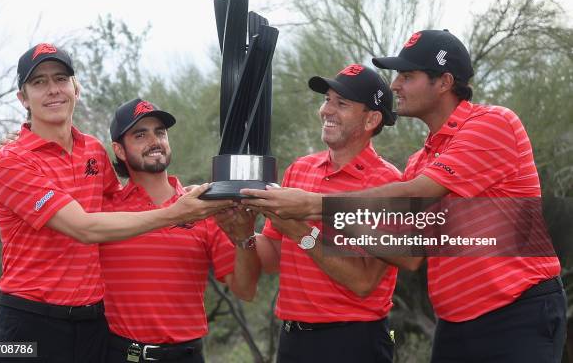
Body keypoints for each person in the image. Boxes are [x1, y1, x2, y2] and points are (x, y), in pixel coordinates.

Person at [242, 30, 566, 362]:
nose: (395, 85)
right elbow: (409, 255)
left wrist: (314, 207)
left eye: (407, 76)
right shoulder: (419, 161)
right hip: (456, 322)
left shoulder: (492, 122)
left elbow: (420, 192)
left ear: (444, 82)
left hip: (517, 311)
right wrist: (306, 227)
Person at [0, 44, 231, 363]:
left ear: (76, 87)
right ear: (23, 98)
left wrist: (179, 194)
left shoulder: (93, 151)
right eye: (38, 82)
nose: (52, 90)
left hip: (92, 325)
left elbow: (126, 205)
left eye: (60, 78)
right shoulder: (10, 160)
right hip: (28, 321)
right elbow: (84, 228)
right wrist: (174, 212)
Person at [245, 64, 401, 363]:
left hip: (353, 342)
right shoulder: (299, 170)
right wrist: (241, 233)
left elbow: (363, 283)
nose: (327, 110)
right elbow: (273, 258)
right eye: (327, 99)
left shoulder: (388, 183)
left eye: (341, 103)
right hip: (292, 340)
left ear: (372, 119)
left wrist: (299, 232)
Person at [101, 98, 260, 363]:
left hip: (185, 355)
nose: (154, 141)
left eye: (160, 132)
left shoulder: (203, 206)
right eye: (140, 134)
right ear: (119, 149)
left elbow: (245, 289)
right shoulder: (102, 208)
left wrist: (245, 236)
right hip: (118, 354)